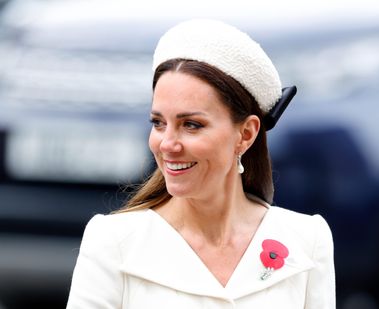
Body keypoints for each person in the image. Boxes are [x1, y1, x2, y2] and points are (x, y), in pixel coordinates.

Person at [66, 19, 335, 309]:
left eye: (191, 125)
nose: (167, 144)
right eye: (158, 123)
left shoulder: (306, 240)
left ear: (246, 134)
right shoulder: (113, 242)